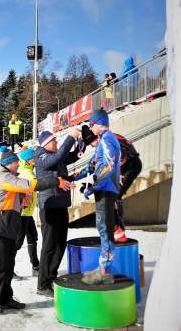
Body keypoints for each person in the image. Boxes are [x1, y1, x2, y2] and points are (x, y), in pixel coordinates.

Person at [0, 146, 73, 314]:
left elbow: (12, 198)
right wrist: (56, 181)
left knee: (8, 265)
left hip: (7, 224)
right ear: (9, 163)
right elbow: (30, 184)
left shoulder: (8, 176)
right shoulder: (4, 176)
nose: (18, 165)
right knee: (1, 265)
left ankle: (6, 299)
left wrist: (22, 199)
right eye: (16, 162)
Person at [35, 128, 82, 297]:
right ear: (46, 143)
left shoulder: (55, 157)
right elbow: (59, 156)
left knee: (61, 243)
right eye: (54, 141)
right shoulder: (41, 156)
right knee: (49, 246)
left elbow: (73, 156)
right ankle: (42, 284)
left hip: (61, 204)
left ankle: (52, 277)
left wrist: (81, 143)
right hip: (49, 207)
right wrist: (71, 137)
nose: (56, 143)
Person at [80, 124, 142, 241]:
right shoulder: (103, 143)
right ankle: (116, 231)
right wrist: (72, 177)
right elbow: (93, 165)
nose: (92, 147)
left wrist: (94, 187)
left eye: (91, 144)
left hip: (131, 166)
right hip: (123, 167)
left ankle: (118, 232)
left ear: (95, 139)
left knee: (112, 196)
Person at [80, 109, 121, 285]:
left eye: (91, 124)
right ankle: (104, 268)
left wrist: (93, 186)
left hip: (106, 189)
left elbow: (109, 167)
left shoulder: (107, 139)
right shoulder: (106, 139)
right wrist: (77, 177)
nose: (91, 128)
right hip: (104, 189)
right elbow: (95, 165)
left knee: (104, 228)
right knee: (103, 226)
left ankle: (105, 271)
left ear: (98, 123)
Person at [16, 147, 40, 276]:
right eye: (33, 158)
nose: (35, 160)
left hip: (28, 213)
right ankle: (8, 269)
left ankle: (36, 266)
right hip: (23, 214)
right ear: (27, 161)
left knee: (32, 238)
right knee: (17, 243)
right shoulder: (26, 174)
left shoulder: (28, 172)